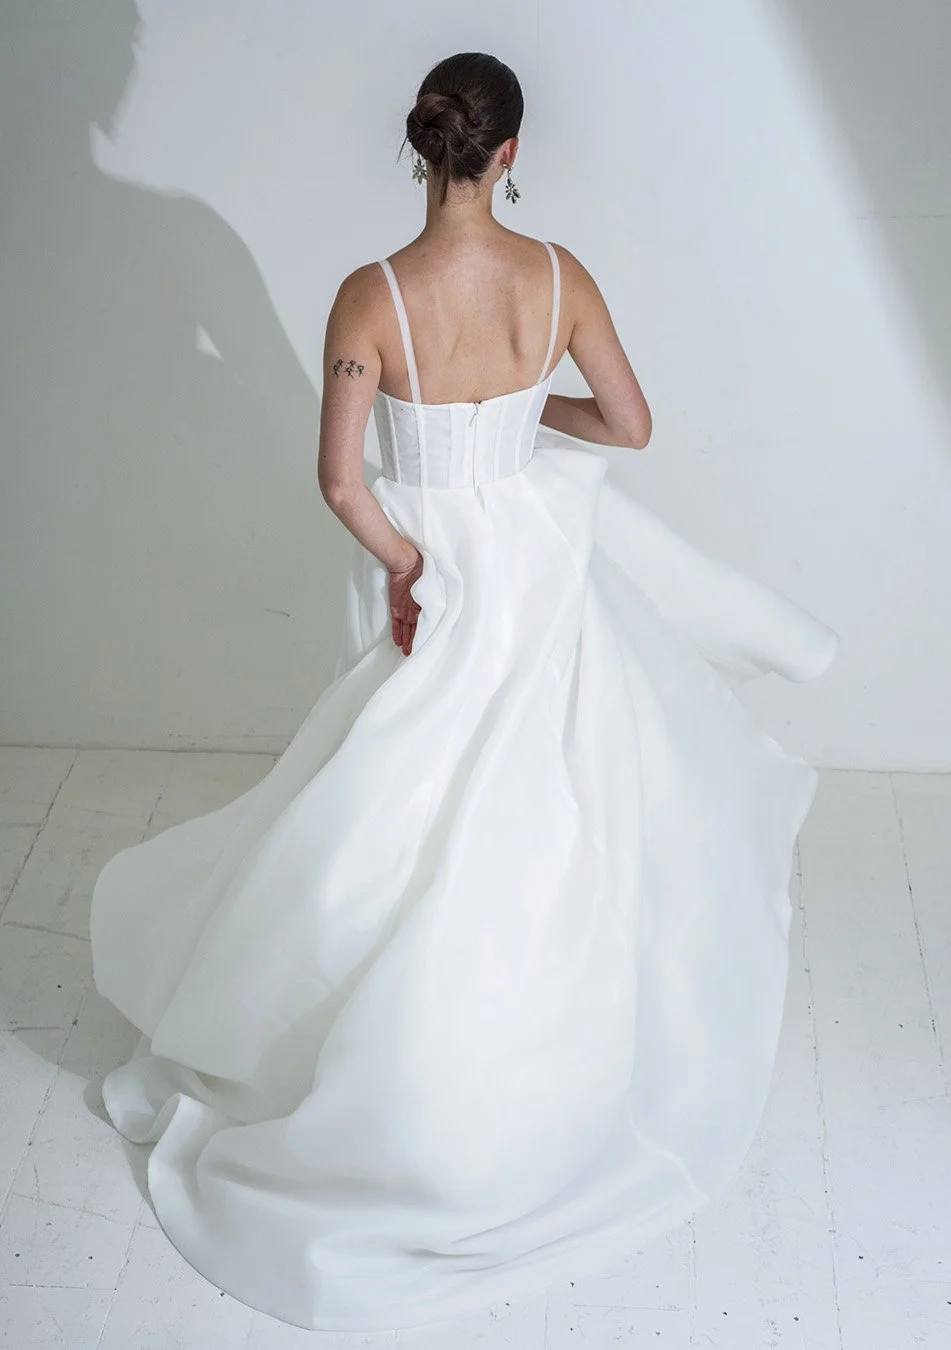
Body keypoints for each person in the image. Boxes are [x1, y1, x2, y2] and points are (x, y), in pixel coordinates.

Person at [90, 50, 838, 1334]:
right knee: (540, 804)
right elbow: (630, 425)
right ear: (509, 155)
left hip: (440, 570)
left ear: (424, 146)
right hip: (537, 566)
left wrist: (408, 565)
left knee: (398, 796)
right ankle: (534, 1069)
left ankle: (371, 1053)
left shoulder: (370, 295)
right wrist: (525, 416)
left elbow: (342, 483)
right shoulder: (561, 278)